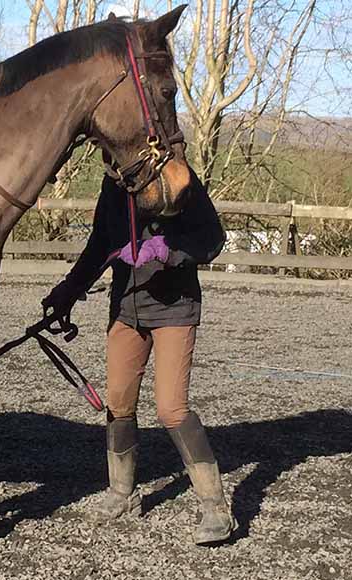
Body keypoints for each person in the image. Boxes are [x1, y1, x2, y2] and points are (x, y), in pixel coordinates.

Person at [41, 172, 236, 544]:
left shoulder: (180, 179)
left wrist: (169, 250)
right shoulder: (113, 186)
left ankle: (216, 508)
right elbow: (100, 243)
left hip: (175, 310)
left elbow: (212, 239)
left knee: (171, 409)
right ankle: (122, 493)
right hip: (126, 309)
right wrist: (67, 290)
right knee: (118, 403)